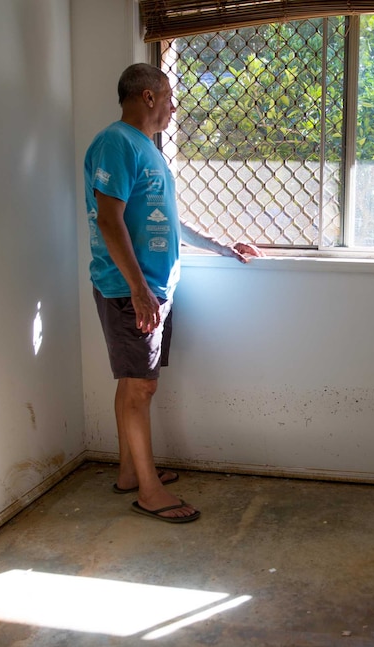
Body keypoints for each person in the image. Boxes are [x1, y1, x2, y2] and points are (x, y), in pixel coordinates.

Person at [85, 63, 263, 523]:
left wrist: (223, 247)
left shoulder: (148, 150)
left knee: (133, 382)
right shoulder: (117, 143)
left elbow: (169, 222)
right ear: (147, 96)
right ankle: (147, 491)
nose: (172, 107)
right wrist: (139, 290)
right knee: (141, 386)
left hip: (152, 288)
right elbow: (109, 220)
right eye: (168, 96)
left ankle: (130, 472)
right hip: (131, 290)